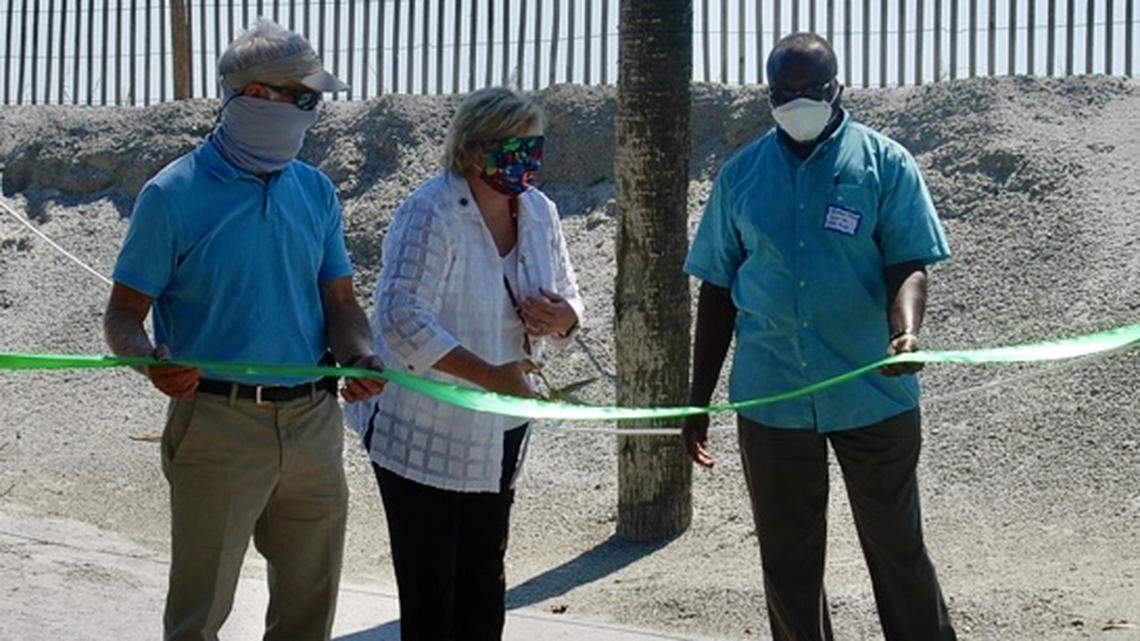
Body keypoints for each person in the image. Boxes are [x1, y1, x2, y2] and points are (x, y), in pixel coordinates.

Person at [103, 19, 385, 641]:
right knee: (199, 617)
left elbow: (340, 301)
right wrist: (149, 360)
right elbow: (123, 314)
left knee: (308, 612)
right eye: (305, 97)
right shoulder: (172, 195)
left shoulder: (315, 192)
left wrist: (362, 356)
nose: (315, 113)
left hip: (313, 425)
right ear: (255, 97)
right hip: (216, 426)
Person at [682, 33, 958, 641]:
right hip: (771, 398)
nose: (799, 102)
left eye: (813, 91)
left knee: (898, 550)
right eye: (786, 93)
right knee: (788, 564)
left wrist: (906, 334)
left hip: (873, 392)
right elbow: (718, 290)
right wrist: (699, 398)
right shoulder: (741, 177)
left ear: (839, 90)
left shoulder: (885, 163)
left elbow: (908, 262)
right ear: (769, 95)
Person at [346, 86, 583, 641]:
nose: (527, 158)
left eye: (534, 145)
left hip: (503, 427)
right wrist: (491, 378)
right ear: (475, 150)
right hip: (423, 428)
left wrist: (562, 316)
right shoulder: (430, 211)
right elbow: (402, 318)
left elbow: (573, 297)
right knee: (433, 593)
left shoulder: (541, 210)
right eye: (513, 146)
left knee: (483, 582)